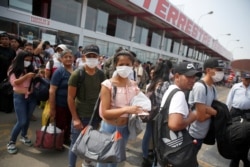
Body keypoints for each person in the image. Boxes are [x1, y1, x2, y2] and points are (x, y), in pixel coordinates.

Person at [96, 49, 145, 167]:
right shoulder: (107, 85)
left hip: (125, 128)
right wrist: (127, 110)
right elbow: (105, 113)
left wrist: (143, 109)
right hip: (109, 128)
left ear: (133, 65)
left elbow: (140, 102)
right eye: (121, 64)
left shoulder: (133, 85)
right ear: (115, 65)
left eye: (127, 64)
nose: (124, 67)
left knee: (115, 161)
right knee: (103, 160)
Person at [67, 44, 105, 167]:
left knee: (90, 142)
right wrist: (75, 118)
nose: (92, 58)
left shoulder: (101, 75)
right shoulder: (77, 74)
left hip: (95, 117)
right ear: (84, 57)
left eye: (95, 56)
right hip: (80, 116)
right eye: (89, 56)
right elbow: (70, 98)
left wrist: (101, 117)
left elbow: (103, 96)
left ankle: (87, 162)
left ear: (99, 58)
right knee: (75, 144)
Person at [188, 57, 225, 165]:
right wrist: (214, 113)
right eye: (218, 69)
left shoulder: (212, 88)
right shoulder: (200, 87)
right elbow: (200, 117)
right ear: (208, 70)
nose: (221, 73)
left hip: (202, 134)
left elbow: (216, 108)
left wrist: (209, 111)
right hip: (192, 134)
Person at [141, 61, 171, 167]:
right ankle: (154, 158)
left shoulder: (152, 84)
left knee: (148, 135)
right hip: (160, 116)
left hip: (151, 114)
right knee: (158, 139)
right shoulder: (166, 85)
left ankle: (145, 156)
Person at [6, 51, 37, 154]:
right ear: (20, 59)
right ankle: (11, 142)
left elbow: (33, 82)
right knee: (21, 121)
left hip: (31, 97)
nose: (28, 62)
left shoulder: (30, 68)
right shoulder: (13, 69)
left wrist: (37, 76)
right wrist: (26, 76)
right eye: (26, 60)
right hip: (19, 97)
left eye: (29, 60)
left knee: (27, 119)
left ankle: (23, 136)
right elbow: (14, 82)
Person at [49, 48, 74, 145]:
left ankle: (66, 139)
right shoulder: (59, 72)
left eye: (70, 57)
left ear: (73, 58)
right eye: (65, 57)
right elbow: (52, 91)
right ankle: (58, 142)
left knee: (69, 123)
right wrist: (52, 108)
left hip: (72, 105)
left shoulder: (76, 71)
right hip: (61, 104)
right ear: (61, 59)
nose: (68, 59)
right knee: (60, 124)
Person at [226, 71, 250, 167]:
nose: (248, 81)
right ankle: (236, 159)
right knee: (235, 135)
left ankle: (243, 157)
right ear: (242, 78)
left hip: (248, 114)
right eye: (246, 79)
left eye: (249, 79)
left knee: (246, 136)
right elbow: (229, 100)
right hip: (235, 113)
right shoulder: (236, 87)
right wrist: (226, 113)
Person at [0, 32, 16, 113]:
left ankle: (6, 107)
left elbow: (13, 62)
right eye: (2, 39)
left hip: (8, 73)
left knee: (6, 90)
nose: (4, 41)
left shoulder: (12, 51)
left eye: (6, 39)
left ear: (9, 40)